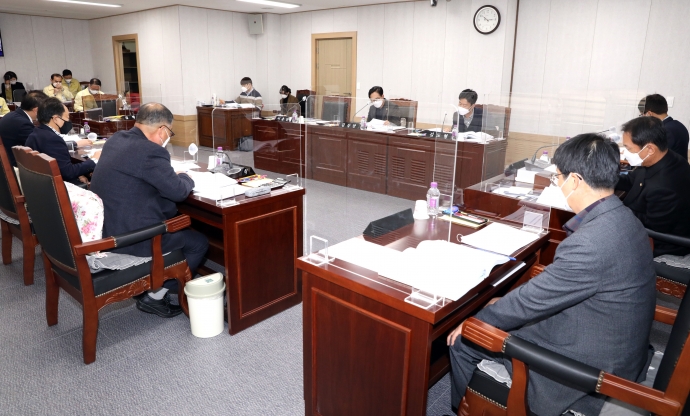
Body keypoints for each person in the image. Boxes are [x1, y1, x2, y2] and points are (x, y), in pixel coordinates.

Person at [448, 133, 656, 415]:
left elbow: (530, 302)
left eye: (558, 177)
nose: (557, 184)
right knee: (501, 309)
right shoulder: (623, 217)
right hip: (614, 341)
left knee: (464, 340)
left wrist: (475, 322)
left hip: (593, 370)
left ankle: (465, 408)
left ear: (575, 180)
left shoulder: (591, 243)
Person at [90, 103, 209, 318]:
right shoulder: (151, 151)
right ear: (162, 130)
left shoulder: (116, 139)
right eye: (170, 133)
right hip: (134, 238)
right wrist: (185, 177)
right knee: (199, 242)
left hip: (109, 227)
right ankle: (155, 294)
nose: (168, 138)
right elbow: (178, 191)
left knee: (178, 222)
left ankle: (158, 282)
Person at [616, 116, 690, 256]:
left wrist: (614, 208)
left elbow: (653, 225)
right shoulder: (662, 158)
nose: (625, 153)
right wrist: (604, 179)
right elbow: (632, 180)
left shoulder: (664, 186)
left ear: (650, 149)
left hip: (659, 244)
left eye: (628, 148)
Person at [25, 98, 99, 184]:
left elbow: (61, 167)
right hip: (55, 186)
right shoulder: (52, 139)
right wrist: (94, 160)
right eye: (67, 117)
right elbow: (68, 173)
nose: (68, 121)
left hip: (40, 182)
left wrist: (79, 174)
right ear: (56, 119)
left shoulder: (37, 133)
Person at [0, 90, 47, 166]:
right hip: (16, 165)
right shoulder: (23, 124)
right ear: (36, 110)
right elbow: (39, 146)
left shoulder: (13, 115)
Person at [639, 94, 689, 159]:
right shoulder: (678, 125)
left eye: (642, 115)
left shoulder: (666, 130)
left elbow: (656, 156)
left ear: (649, 114)